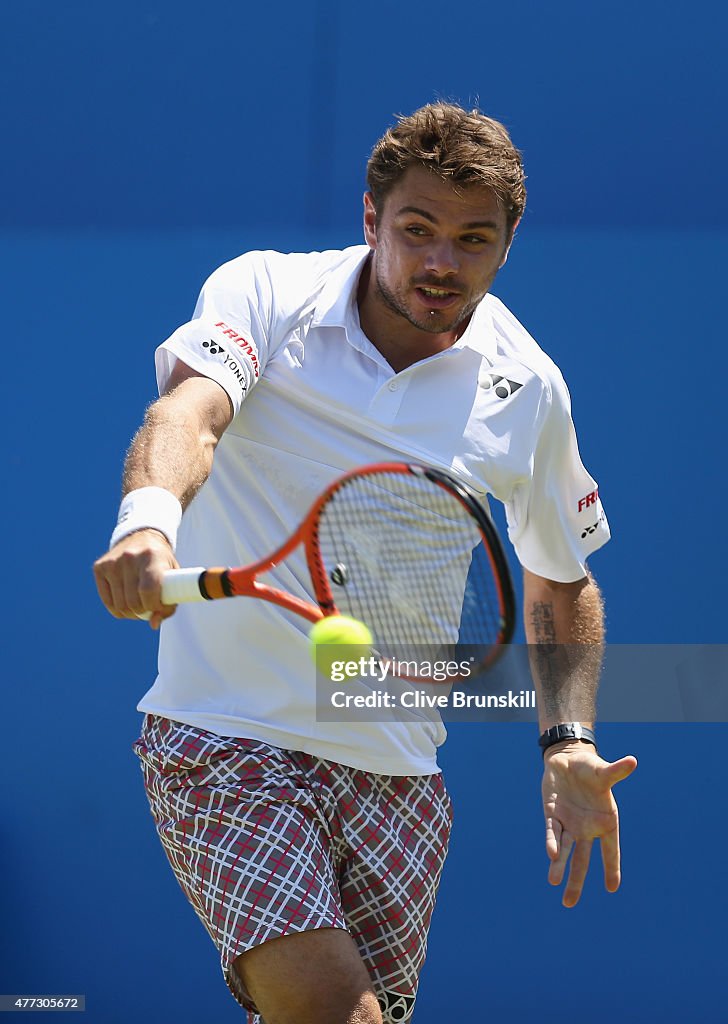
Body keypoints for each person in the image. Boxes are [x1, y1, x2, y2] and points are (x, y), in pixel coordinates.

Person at [93, 102, 637, 1024]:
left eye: (473, 239)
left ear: (506, 249)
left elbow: (558, 577)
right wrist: (148, 522)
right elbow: (189, 415)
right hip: (226, 741)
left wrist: (568, 740)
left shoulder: (527, 386)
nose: (439, 262)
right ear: (370, 221)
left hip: (398, 776)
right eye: (417, 230)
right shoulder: (266, 291)